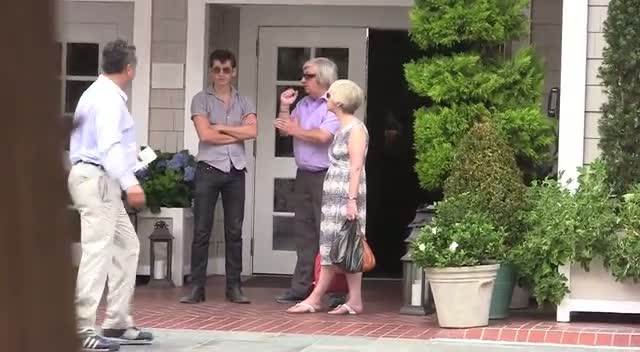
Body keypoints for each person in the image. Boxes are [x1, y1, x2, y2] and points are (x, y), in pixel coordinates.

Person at [68, 39, 153, 351]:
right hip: (98, 180)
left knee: (127, 246)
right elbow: (108, 146)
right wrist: (130, 182)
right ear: (129, 69)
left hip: (101, 180)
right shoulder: (108, 99)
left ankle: (116, 322)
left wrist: (137, 161)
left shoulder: (101, 93)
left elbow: (114, 146)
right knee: (97, 251)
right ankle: (81, 328)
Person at [180, 49, 257, 305]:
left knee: (234, 231)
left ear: (233, 71)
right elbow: (206, 136)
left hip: (236, 171)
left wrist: (220, 126)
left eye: (226, 69)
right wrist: (236, 131)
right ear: (211, 71)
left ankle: (234, 288)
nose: (221, 74)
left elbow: (252, 132)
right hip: (208, 170)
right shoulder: (200, 100)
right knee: (202, 230)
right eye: (216, 69)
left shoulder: (244, 101)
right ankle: (196, 289)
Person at [286, 79, 368, 315]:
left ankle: (316, 297)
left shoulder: (356, 129)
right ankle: (353, 300)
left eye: (330, 96)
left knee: (343, 246)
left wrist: (351, 201)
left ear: (340, 101)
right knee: (338, 247)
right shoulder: (343, 128)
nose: (325, 98)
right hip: (334, 193)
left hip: (346, 194)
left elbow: (355, 166)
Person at [273, 58, 345, 307]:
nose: (303, 80)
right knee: (303, 234)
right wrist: (284, 107)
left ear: (324, 79)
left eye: (309, 76)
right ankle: (301, 287)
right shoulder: (303, 103)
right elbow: (284, 129)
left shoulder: (335, 105)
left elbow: (323, 136)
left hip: (326, 176)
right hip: (304, 175)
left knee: (330, 234)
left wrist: (295, 129)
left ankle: (336, 291)